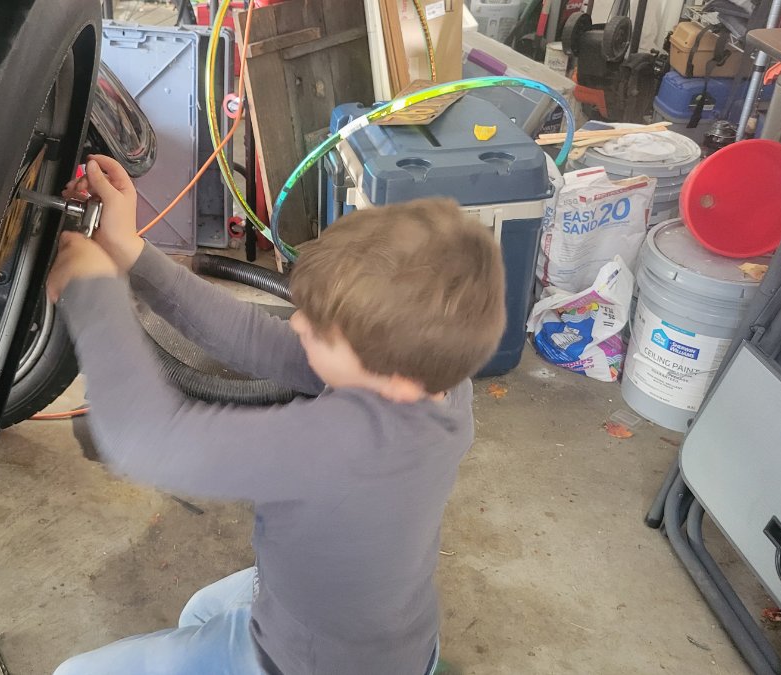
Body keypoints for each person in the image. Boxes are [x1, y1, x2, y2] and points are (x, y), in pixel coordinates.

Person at [47, 154, 507, 675]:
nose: (299, 326)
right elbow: (254, 338)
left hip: (302, 665)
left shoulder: (341, 445)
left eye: (321, 329)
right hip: (391, 641)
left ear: (392, 376)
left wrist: (93, 290)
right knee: (201, 610)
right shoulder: (437, 380)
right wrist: (130, 251)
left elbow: (145, 438)